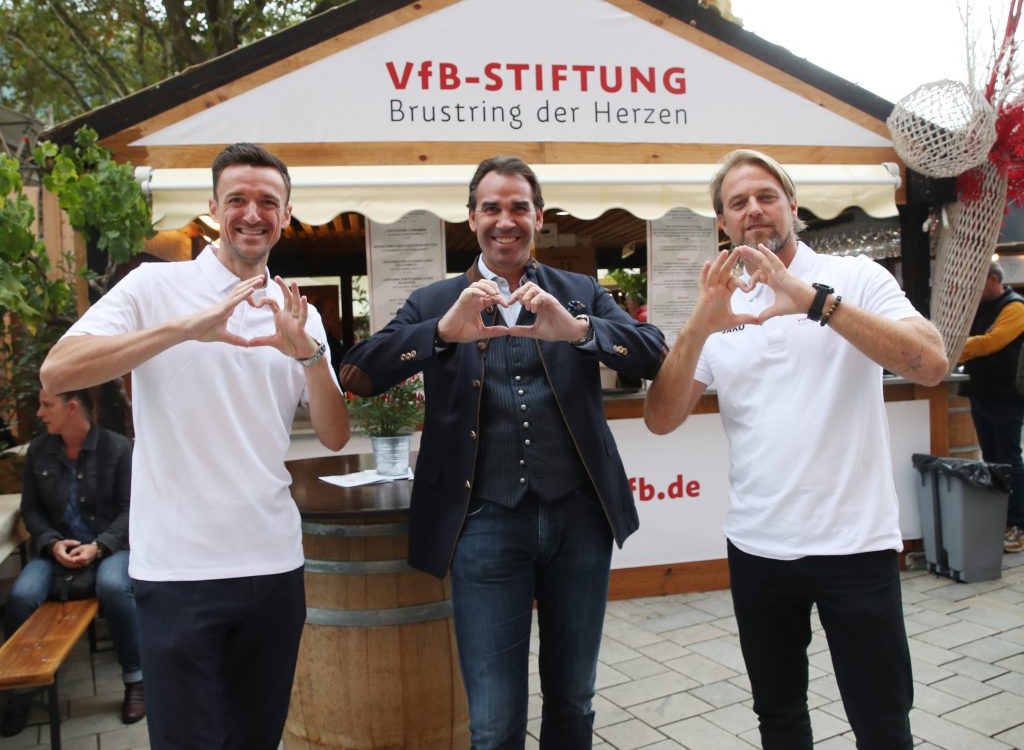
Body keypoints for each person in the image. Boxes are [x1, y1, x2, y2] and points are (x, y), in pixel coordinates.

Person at [340, 156, 666, 750]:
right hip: (483, 522)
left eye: (519, 207)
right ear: (471, 218)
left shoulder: (581, 292)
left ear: (538, 217)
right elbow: (358, 375)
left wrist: (579, 331)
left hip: (578, 520)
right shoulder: (435, 299)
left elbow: (652, 353)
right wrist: (439, 333)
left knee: (575, 697)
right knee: (492, 720)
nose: (505, 220)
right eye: (492, 208)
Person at [39, 142, 350, 749]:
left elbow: (335, 434)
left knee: (256, 739)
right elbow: (58, 372)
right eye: (237, 199)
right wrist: (190, 326)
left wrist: (309, 355)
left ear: (286, 215)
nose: (252, 213)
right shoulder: (156, 286)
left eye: (268, 202)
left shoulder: (296, 312)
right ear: (214, 207)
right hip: (179, 569)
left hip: (274, 564)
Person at [644, 149, 948, 749]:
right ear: (723, 224)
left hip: (854, 544)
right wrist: (696, 327)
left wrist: (814, 301)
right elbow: (661, 418)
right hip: (758, 547)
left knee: (882, 721)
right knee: (779, 718)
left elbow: (931, 363)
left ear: (792, 205)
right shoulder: (717, 306)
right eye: (738, 203)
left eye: (765, 196)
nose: (753, 210)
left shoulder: (857, 276)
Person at [1, 388, 143, 737]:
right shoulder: (39, 450)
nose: (39, 413)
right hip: (55, 554)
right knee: (20, 596)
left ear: (72, 407)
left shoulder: (116, 448)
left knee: (114, 586)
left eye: (47, 405)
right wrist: (51, 543)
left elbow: (131, 510)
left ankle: (135, 681)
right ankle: (19, 693)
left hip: (108, 549)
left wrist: (99, 546)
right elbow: (31, 509)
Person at [959, 260, 1024, 552]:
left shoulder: (1016, 307)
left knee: (1010, 460)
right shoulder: (980, 306)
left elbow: (991, 342)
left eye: (979, 280)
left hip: (1006, 395)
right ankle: (1001, 519)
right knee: (992, 459)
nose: (974, 286)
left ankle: (1018, 524)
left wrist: (955, 348)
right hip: (982, 391)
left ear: (994, 280)